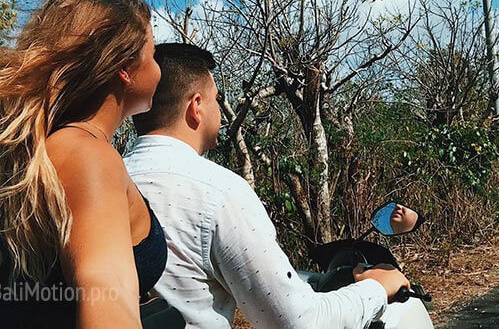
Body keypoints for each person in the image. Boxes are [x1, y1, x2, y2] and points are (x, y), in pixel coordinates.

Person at [125, 42, 410, 328]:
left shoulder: (108, 180)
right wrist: (376, 288)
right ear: (196, 106)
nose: (220, 111)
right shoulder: (217, 191)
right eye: (215, 98)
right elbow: (298, 322)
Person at [0, 0, 165, 328]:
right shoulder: (86, 155)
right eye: (153, 51)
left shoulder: (36, 153)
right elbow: (108, 299)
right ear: (126, 69)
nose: (159, 66)